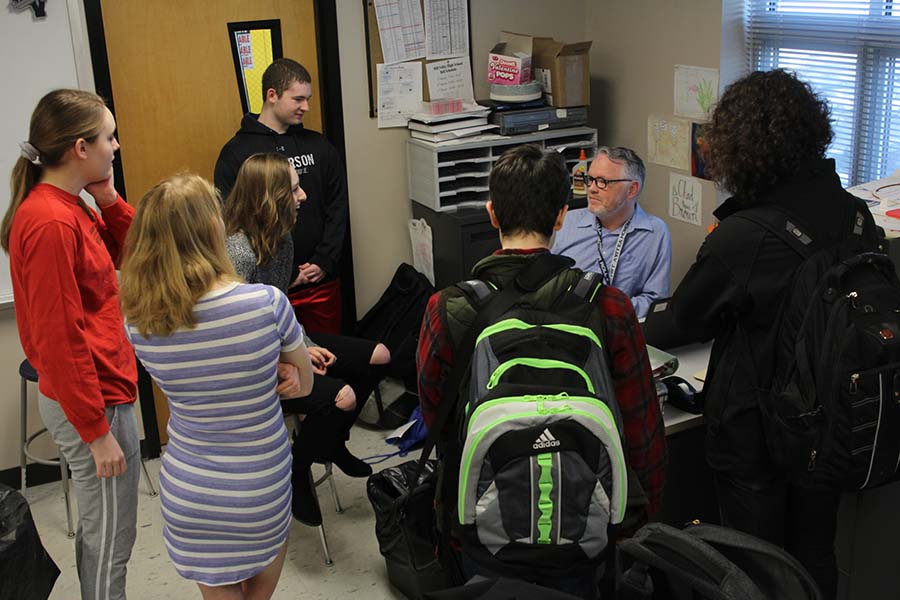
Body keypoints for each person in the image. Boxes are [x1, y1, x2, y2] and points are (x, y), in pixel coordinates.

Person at [417, 144, 666, 597]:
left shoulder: (450, 306)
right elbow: (641, 427)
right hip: (588, 516)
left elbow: (437, 417)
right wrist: (634, 520)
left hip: (483, 514)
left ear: (492, 215)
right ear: (560, 217)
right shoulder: (608, 306)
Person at [667, 69, 880, 599]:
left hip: (755, 437)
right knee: (813, 555)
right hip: (830, 424)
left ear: (741, 147)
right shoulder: (856, 217)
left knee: (751, 567)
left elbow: (683, 321)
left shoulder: (745, 236)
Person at [119, 174, 314, 600]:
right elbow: (303, 386)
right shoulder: (264, 303)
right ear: (212, 230)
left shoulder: (138, 320)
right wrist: (281, 370)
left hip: (190, 490)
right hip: (259, 485)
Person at [2, 89, 139, 600]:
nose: (116, 146)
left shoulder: (71, 204)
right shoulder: (50, 221)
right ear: (80, 147)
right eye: (108, 137)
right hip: (93, 399)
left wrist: (107, 198)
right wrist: (96, 430)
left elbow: (129, 253)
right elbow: (59, 340)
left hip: (102, 390)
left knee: (105, 527)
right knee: (110, 536)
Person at [223, 153, 390, 526]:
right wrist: (294, 357)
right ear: (271, 197)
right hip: (255, 368)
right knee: (342, 397)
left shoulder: (281, 239)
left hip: (283, 343)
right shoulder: (238, 254)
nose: (303, 197)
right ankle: (297, 471)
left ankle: (332, 443)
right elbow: (239, 335)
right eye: (295, 189)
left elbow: (279, 311)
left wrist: (305, 345)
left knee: (378, 356)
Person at [215, 58, 348, 335]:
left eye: (308, 99)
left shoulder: (319, 145)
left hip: (319, 282)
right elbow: (230, 219)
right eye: (298, 99)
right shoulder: (237, 153)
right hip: (264, 287)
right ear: (272, 95)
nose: (306, 107)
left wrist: (324, 260)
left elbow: (337, 205)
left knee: (327, 358)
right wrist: (282, 275)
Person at [552, 146, 671, 319]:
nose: (591, 188)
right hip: (565, 325)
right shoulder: (565, 223)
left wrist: (607, 310)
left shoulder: (655, 233)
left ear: (631, 190)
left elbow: (655, 301)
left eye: (602, 182)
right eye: (590, 179)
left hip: (618, 328)